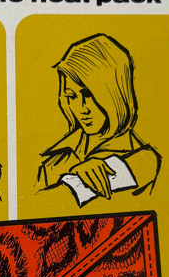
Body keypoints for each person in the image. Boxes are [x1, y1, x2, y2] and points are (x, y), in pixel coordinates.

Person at [37, 34, 160, 201]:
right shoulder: (59, 155)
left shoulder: (143, 162)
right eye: (72, 96)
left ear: (115, 93)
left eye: (88, 95)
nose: (82, 109)